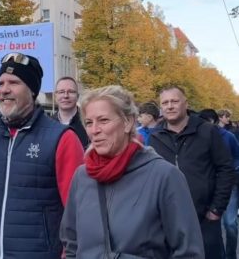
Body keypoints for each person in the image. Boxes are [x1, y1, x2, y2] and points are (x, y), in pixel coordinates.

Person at [0, 52, 84, 259]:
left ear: (32, 90)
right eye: (1, 83)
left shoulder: (62, 138)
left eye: (14, 82)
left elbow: (77, 207)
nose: (4, 90)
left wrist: (70, 253)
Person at [60, 85, 204, 258]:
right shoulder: (82, 176)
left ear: (128, 122)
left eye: (103, 120)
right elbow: (71, 243)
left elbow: (188, 252)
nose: (94, 130)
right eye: (89, 123)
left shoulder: (164, 176)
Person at [150, 86, 235, 259]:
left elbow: (225, 168)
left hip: (205, 218)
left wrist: (217, 209)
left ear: (185, 104)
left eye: (175, 101)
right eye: (165, 103)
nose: (170, 106)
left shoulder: (207, 131)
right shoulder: (155, 137)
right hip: (169, 220)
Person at [199, 108, 239, 259]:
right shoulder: (198, 137)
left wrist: (233, 169)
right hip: (209, 185)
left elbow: (237, 156)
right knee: (212, 224)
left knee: (229, 223)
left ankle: (231, 255)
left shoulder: (228, 137)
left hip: (229, 184)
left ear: (215, 122)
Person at [53, 76, 89, 149]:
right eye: (61, 92)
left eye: (71, 92)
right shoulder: (47, 125)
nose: (66, 96)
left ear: (78, 96)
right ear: (55, 96)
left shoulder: (88, 122)